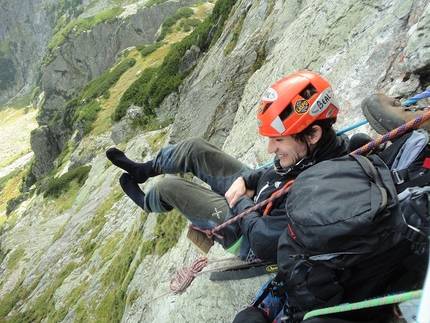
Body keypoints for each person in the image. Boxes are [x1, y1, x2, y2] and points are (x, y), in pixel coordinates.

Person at [106, 71, 358, 264]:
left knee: (168, 187)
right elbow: (277, 172)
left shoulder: (317, 192)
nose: (271, 149)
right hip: (257, 196)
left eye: (278, 140)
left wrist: (240, 202)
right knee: (195, 148)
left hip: (245, 231)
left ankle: (146, 201)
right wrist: (247, 181)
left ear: (312, 134)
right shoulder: (323, 148)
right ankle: (145, 169)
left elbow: (263, 240)